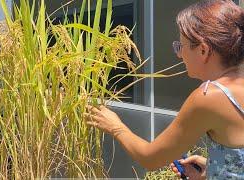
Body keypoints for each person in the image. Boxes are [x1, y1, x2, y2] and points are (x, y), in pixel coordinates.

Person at [85, 0, 244, 179]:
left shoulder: (209, 97)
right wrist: (217, 168)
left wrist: (116, 127)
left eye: (181, 47)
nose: (179, 55)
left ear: (203, 50)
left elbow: (150, 158)